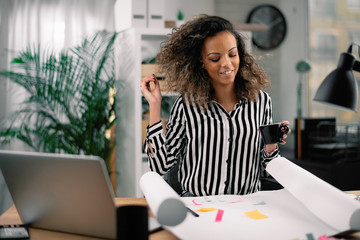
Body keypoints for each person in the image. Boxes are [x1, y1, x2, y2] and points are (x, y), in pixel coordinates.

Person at [140, 15, 290, 197]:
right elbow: (159, 165)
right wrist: (154, 105)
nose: (226, 63)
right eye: (215, 58)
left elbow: (267, 168)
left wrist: (271, 147)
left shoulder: (261, 102)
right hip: (200, 206)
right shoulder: (187, 105)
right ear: (201, 63)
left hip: (246, 207)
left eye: (232, 54)